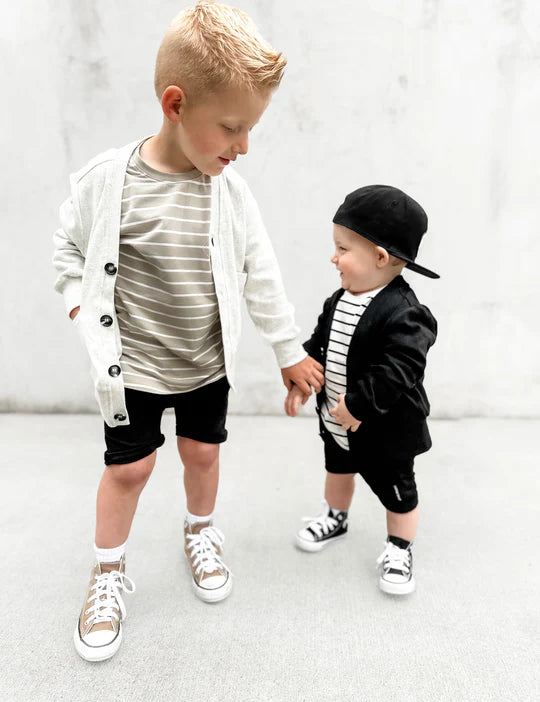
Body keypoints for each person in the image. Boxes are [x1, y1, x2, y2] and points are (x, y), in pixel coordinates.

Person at [53, 0, 323, 662]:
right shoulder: (105, 181)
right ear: (176, 105)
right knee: (131, 468)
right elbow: (67, 249)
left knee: (202, 455)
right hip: (133, 371)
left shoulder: (228, 193)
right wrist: (77, 307)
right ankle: (108, 571)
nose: (245, 146)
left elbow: (260, 272)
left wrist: (288, 350)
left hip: (205, 365)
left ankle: (200, 531)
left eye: (251, 128)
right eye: (233, 127)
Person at [286, 185, 438, 595]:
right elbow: (319, 344)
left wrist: (358, 404)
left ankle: (399, 547)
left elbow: (400, 368)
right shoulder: (339, 299)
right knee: (337, 471)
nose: (333, 258)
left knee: (397, 490)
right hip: (337, 423)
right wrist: (303, 378)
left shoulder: (406, 313)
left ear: (380, 258)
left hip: (384, 431)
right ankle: (336, 516)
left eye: (343, 249)